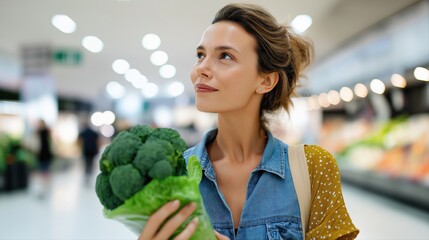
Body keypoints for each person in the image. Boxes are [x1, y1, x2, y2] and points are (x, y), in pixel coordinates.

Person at [139, 3, 359, 240]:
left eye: (225, 56)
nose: (200, 69)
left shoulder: (312, 169)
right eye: (200, 55)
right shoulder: (173, 174)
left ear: (266, 81)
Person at [36, 119, 53, 198]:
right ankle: (44, 188)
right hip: (42, 155)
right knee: (43, 172)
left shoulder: (44, 132)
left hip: (45, 154)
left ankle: (45, 188)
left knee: (45, 172)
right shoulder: (40, 132)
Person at [78, 121, 100, 185]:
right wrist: (97, 149)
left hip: (86, 150)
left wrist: (80, 147)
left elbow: (79, 140)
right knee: (91, 163)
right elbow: (98, 141)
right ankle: (89, 175)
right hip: (92, 150)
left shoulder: (83, 132)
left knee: (86, 163)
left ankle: (87, 176)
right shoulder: (93, 133)